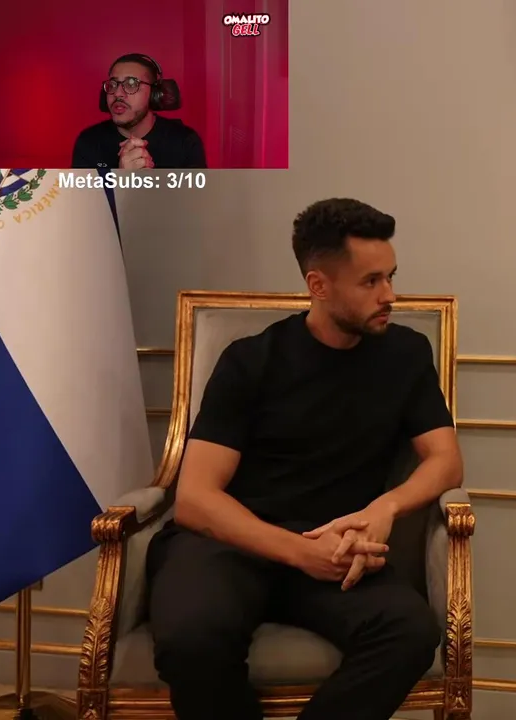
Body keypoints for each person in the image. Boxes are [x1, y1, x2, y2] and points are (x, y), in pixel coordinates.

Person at [144, 198, 461, 720]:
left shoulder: (405, 355)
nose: (390, 295)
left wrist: (384, 508)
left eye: (391, 277)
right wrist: (297, 551)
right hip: (232, 544)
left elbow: (446, 461)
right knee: (191, 639)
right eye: (371, 281)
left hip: (338, 549)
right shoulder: (251, 360)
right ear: (319, 285)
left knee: (409, 632)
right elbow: (197, 500)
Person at [71, 53, 206, 169]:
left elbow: (198, 193)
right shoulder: (88, 142)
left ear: (154, 95)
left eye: (131, 84)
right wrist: (122, 181)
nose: (117, 93)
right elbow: (81, 192)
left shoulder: (185, 142)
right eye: (113, 84)